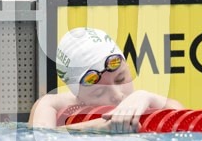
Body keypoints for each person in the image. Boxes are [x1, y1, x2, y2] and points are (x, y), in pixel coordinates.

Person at [29, 27, 183, 133]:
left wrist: (148, 97)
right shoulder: (52, 105)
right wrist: (95, 127)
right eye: (99, 92)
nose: (117, 95)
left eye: (121, 79)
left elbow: (184, 118)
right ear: (79, 96)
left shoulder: (141, 101)